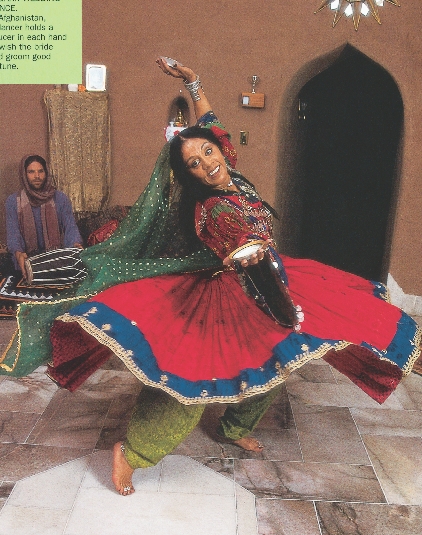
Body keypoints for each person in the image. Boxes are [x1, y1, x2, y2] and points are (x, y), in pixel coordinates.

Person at [1, 60, 421, 496]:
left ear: (221, 151)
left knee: (280, 361)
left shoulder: (231, 174)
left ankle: (236, 424)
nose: (206, 163)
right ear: (189, 177)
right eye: (194, 164)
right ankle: (134, 451)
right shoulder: (215, 209)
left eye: (208, 153)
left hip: (274, 277)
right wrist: (284, 308)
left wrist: (192, 82)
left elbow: (208, 123)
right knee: (189, 379)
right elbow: (249, 259)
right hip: (241, 290)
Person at [5, 154, 83, 278]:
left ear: (46, 173)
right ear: (24, 175)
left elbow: (70, 227)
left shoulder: (60, 198)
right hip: (26, 261)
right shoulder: (13, 201)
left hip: (55, 259)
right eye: (31, 172)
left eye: (40, 171)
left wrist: (75, 244)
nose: (37, 176)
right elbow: (13, 233)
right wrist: (18, 253)